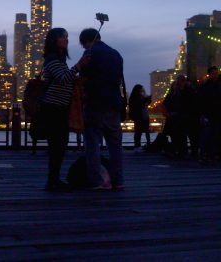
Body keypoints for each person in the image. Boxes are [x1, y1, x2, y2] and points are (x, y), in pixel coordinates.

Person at [41, 28, 88, 191]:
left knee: (59, 145)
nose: (66, 40)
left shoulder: (59, 60)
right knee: (57, 145)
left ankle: (54, 179)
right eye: (63, 37)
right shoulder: (52, 59)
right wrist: (78, 66)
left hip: (59, 108)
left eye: (67, 37)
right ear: (55, 40)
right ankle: (52, 181)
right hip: (54, 108)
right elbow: (62, 79)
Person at [78, 28, 124, 191]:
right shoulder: (116, 54)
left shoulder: (89, 54)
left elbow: (82, 76)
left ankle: (98, 181)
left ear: (86, 42)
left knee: (92, 144)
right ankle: (118, 180)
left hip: (94, 103)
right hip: (113, 103)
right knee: (115, 145)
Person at [164, 75, 198, 158]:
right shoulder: (189, 90)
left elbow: (171, 103)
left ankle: (182, 151)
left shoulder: (178, 92)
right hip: (185, 116)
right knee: (187, 135)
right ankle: (188, 152)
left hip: (181, 116)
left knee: (181, 135)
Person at [197, 66, 221, 162]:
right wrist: (203, 114)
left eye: (216, 73)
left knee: (214, 135)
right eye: (213, 73)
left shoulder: (217, 85)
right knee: (206, 135)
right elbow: (202, 101)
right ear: (209, 74)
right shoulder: (206, 86)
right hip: (208, 114)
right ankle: (204, 154)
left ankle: (210, 154)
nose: (215, 75)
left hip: (216, 114)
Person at [22, 74, 44, 155]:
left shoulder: (31, 87)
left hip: (34, 113)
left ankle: (34, 149)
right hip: (42, 112)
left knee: (34, 132)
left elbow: (26, 99)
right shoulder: (43, 86)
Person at [128, 84, 151, 150]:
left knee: (140, 132)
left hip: (143, 115)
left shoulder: (135, 97)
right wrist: (146, 99)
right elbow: (139, 104)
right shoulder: (135, 97)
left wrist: (148, 100)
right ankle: (139, 146)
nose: (142, 90)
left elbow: (145, 103)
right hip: (140, 116)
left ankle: (138, 146)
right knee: (139, 132)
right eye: (141, 89)